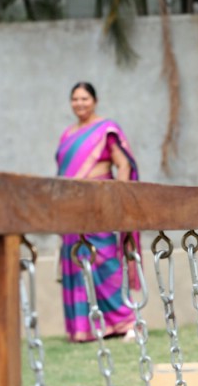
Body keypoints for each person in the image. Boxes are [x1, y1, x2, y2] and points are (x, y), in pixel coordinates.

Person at [55, 82, 140, 342]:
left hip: (98, 208)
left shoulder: (106, 130)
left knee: (105, 262)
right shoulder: (68, 134)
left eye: (84, 98)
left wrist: (118, 199)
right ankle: (86, 328)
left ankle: (127, 322)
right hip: (72, 209)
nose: (79, 103)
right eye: (75, 99)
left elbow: (123, 165)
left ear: (95, 100)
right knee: (77, 262)